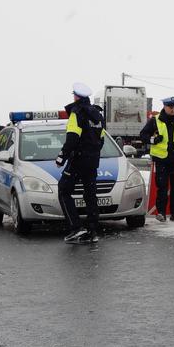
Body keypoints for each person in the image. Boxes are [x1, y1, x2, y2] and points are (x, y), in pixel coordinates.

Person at [56, 82, 105, 244]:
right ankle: (92, 231)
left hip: (78, 160)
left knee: (63, 190)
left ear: (76, 96)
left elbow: (72, 138)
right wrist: (93, 152)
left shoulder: (76, 113)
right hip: (93, 161)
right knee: (90, 195)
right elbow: (102, 138)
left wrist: (62, 156)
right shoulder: (98, 115)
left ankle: (76, 228)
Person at [139, 96, 174, 222]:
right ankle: (161, 213)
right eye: (170, 107)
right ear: (165, 107)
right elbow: (143, 135)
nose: (173, 109)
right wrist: (153, 140)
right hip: (161, 160)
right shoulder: (156, 120)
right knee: (162, 187)